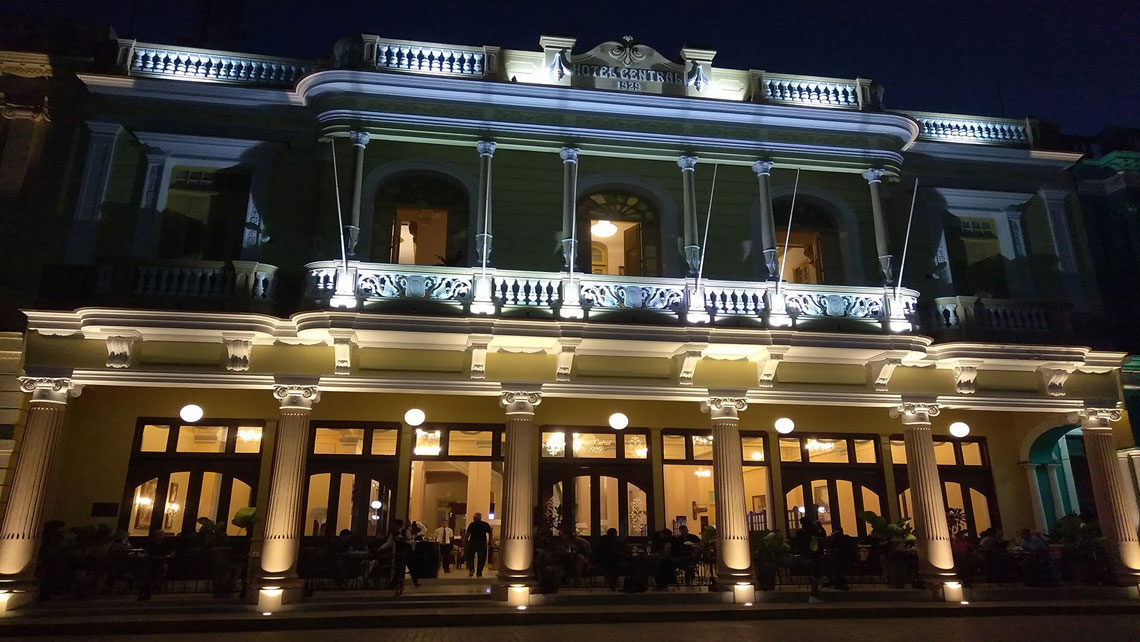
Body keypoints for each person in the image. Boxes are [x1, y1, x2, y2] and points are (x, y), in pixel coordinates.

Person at [793, 511, 827, 602]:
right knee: (815, 573)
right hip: (812, 555)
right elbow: (822, 536)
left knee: (813, 574)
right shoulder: (811, 532)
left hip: (804, 555)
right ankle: (814, 594)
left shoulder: (800, 533)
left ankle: (814, 594)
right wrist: (819, 528)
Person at [380, 519, 418, 594]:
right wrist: (381, 548)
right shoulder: (394, 533)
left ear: (398, 525)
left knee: (411, 567)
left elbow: (410, 542)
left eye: (393, 525)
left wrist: (402, 540)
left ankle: (415, 582)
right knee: (398, 568)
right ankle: (395, 584)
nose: (392, 526)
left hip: (408, 553)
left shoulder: (406, 532)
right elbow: (389, 543)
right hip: (399, 553)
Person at [138, 529, 174, 601]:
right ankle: (148, 590)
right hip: (153, 561)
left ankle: (150, 588)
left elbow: (170, 552)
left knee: (154, 573)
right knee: (149, 575)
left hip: (160, 561)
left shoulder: (165, 543)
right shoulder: (151, 542)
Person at [464, 512, 492, 578]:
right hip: (482, 543)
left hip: (473, 542)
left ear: (475, 518)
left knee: (470, 556)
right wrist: (490, 541)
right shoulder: (485, 524)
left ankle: (471, 568)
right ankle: (479, 573)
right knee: (482, 558)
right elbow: (490, 533)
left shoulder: (472, 524)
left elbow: (467, 534)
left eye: (474, 517)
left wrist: (465, 542)